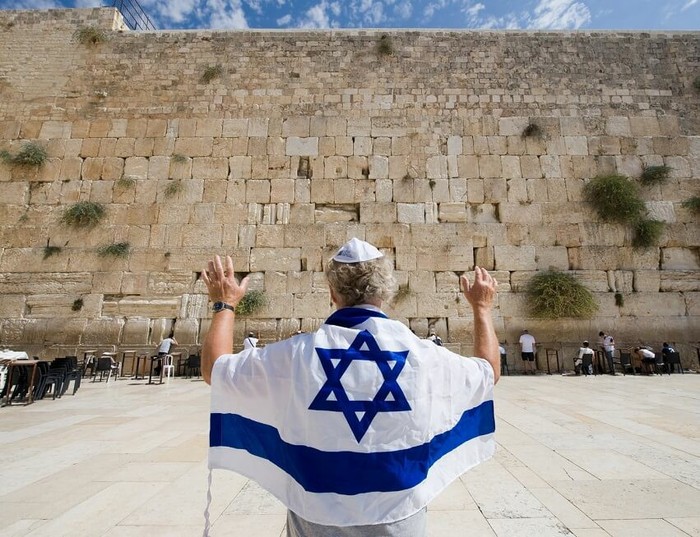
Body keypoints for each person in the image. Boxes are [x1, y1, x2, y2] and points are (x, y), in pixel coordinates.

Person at [201, 238, 500, 536]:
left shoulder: (297, 355)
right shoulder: (422, 356)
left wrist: (224, 304)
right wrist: (482, 308)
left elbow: (217, 370)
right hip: (398, 518)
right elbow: (488, 372)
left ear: (332, 292)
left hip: (316, 517)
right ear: (386, 292)